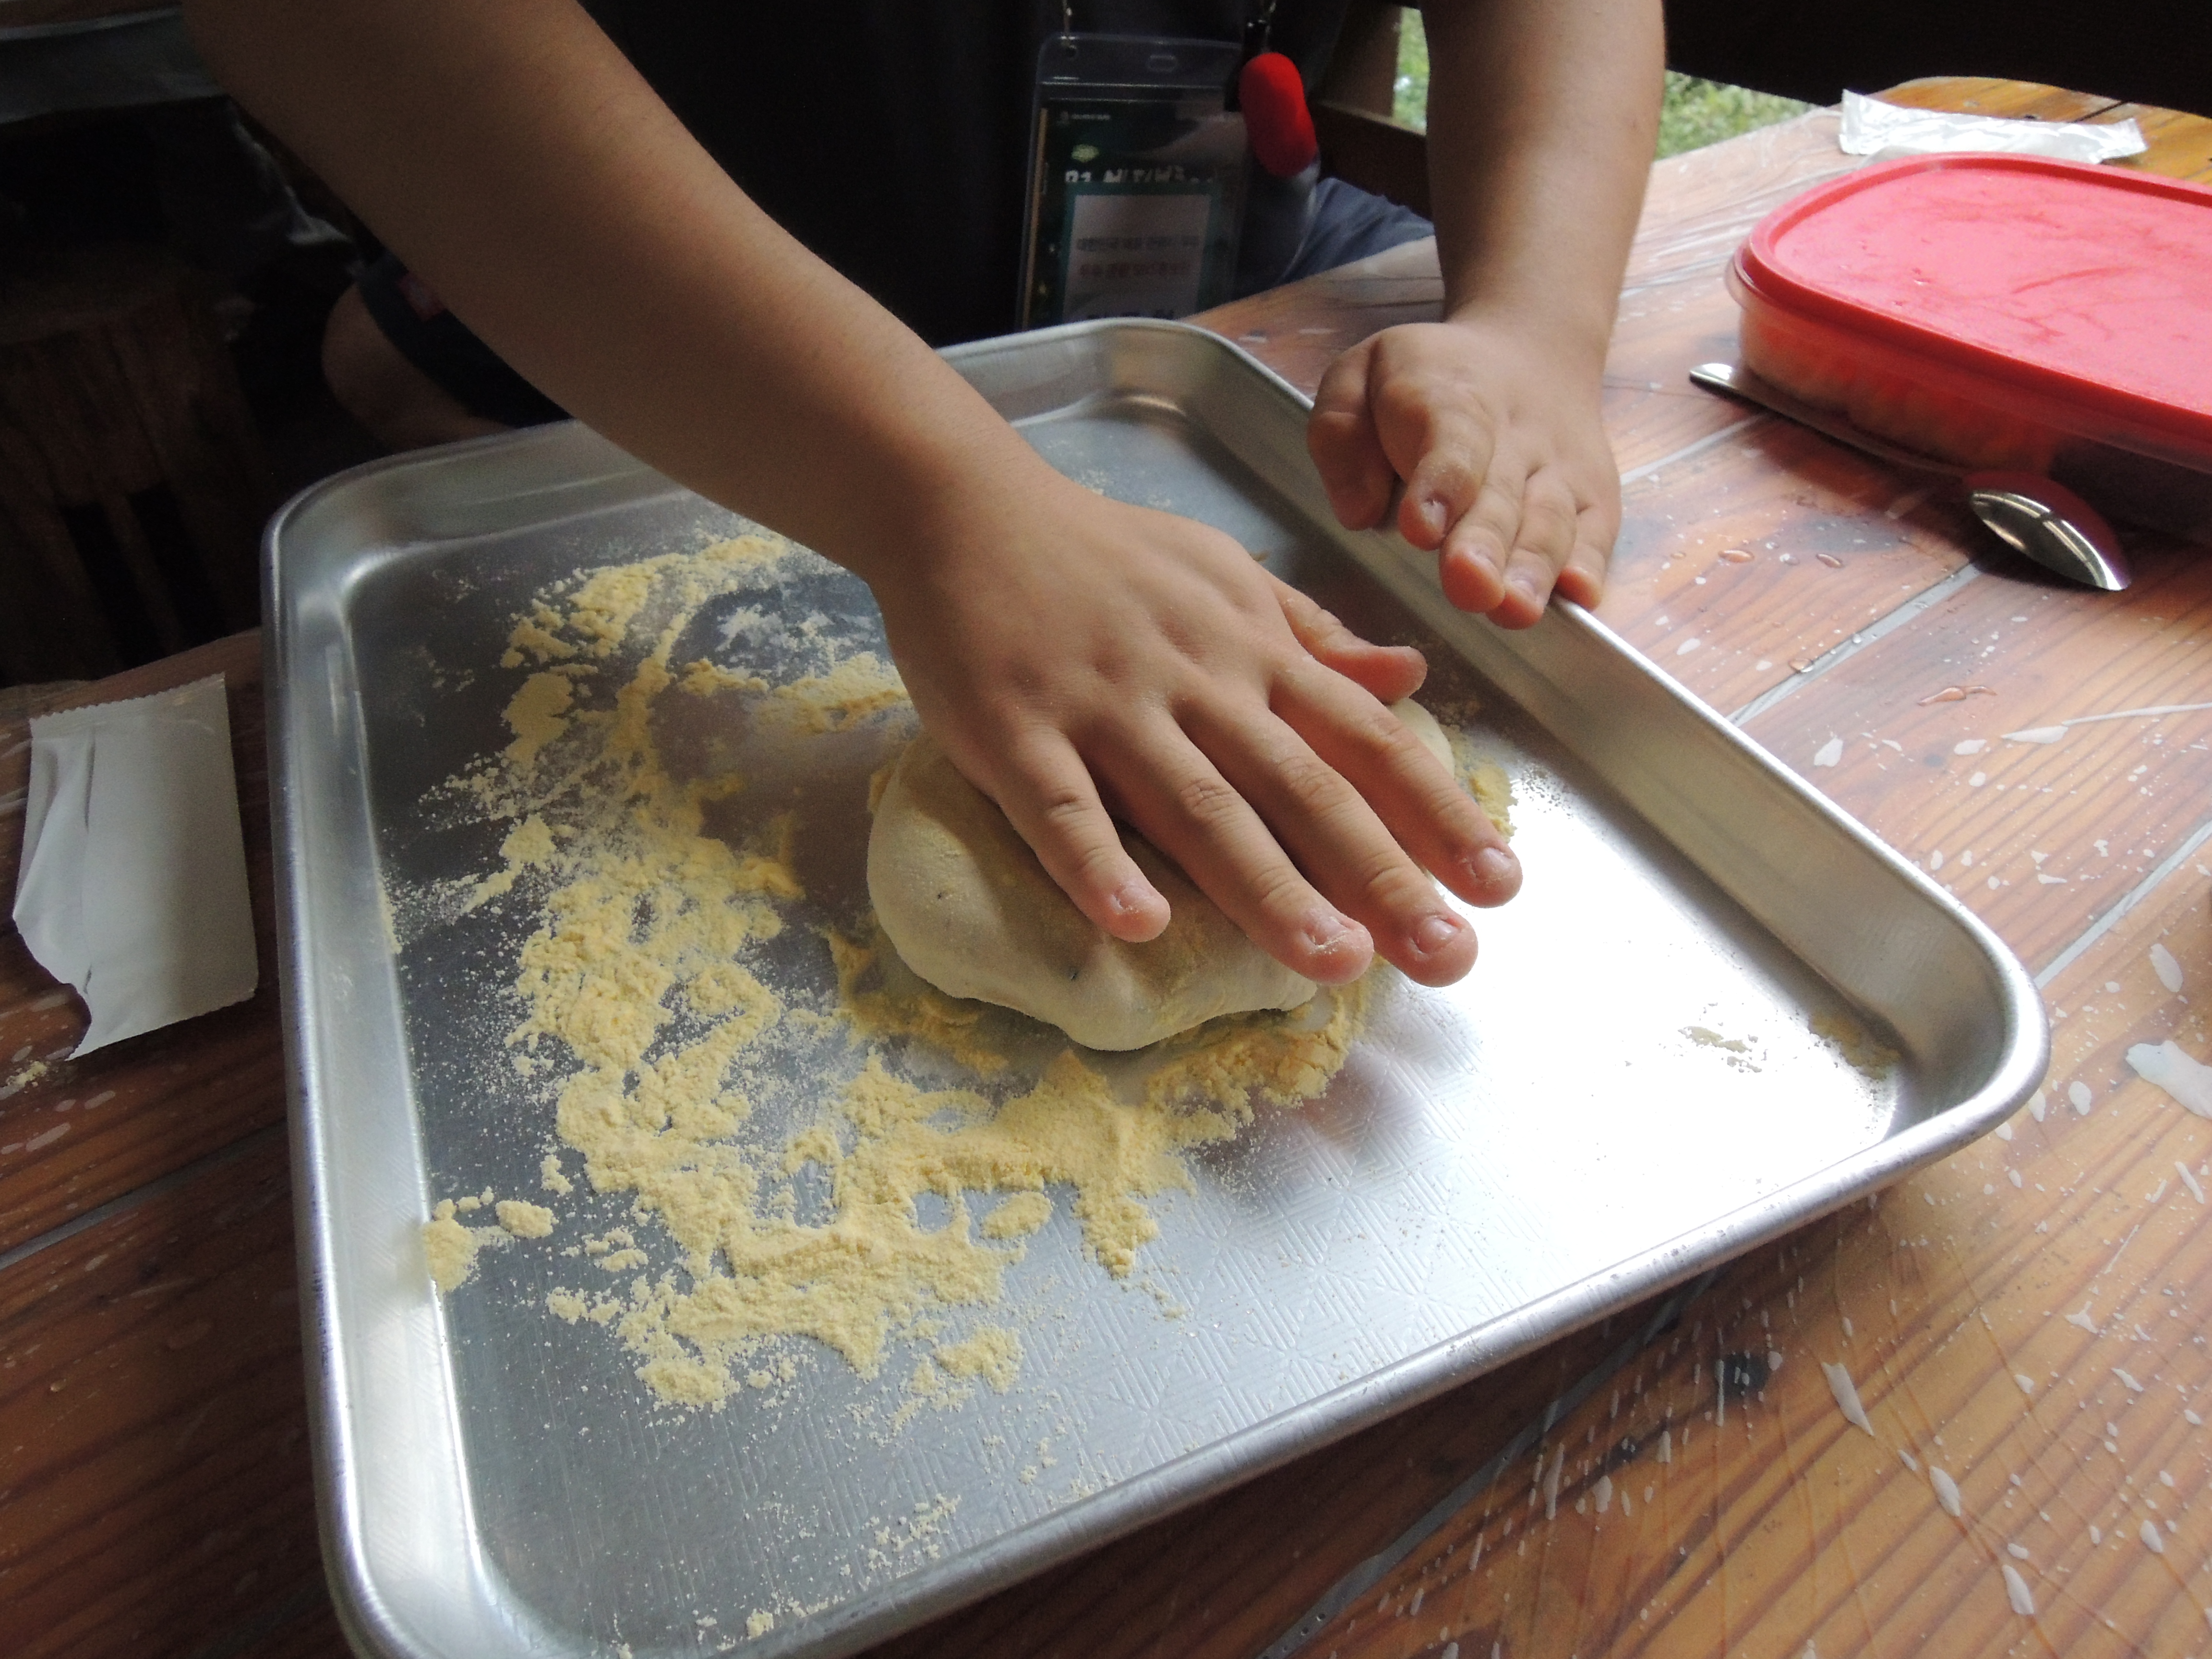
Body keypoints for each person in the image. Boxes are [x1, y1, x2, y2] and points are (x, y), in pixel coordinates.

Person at [182, 0, 1661, 994]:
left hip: (1190, 279)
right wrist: (938, 498)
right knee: (390, 375)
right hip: (626, 301)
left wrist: (1534, 318)